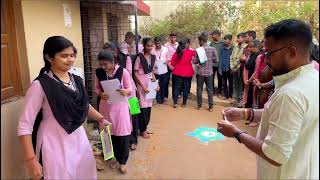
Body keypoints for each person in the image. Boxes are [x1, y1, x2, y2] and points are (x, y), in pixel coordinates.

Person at [217, 19, 319, 179]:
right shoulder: (313, 78)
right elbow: (282, 115)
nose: (266, 59)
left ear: (291, 51)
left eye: (269, 53)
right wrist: (246, 113)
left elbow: (275, 155)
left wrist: (237, 133)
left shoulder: (290, 93)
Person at [17, 36, 111, 179]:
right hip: (53, 143)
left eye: (72, 55)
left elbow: (84, 105)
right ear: (49, 57)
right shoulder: (40, 85)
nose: (70, 59)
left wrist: (101, 118)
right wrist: (31, 160)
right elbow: (25, 125)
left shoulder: (77, 80)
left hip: (79, 139)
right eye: (64, 56)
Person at [94, 50, 132, 174]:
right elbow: (97, 88)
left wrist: (126, 91)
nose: (103, 67)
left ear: (113, 62)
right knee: (107, 133)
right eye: (101, 64)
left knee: (122, 134)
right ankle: (111, 157)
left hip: (120, 108)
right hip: (105, 107)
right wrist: (101, 94)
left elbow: (129, 88)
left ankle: (123, 162)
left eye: (105, 64)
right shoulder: (98, 73)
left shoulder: (123, 72)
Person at [102, 42, 139, 151]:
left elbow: (128, 73)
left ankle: (133, 140)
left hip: (130, 92)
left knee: (134, 115)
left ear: (115, 51)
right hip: (113, 94)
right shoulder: (104, 64)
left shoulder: (126, 58)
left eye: (109, 52)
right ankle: (113, 146)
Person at [134, 37, 159, 139]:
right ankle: (143, 130)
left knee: (149, 107)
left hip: (150, 84)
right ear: (144, 46)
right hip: (142, 84)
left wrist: (156, 84)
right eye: (148, 45)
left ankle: (145, 128)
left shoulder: (153, 57)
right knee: (143, 108)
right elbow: (135, 73)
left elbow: (151, 72)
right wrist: (142, 86)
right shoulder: (139, 57)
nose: (149, 47)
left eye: (151, 46)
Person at [193, 32, 217, 112]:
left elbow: (194, 61)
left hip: (201, 73)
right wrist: (210, 61)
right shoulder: (212, 49)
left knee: (199, 89)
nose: (199, 42)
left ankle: (199, 106)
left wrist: (198, 59)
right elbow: (216, 60)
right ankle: (210, 107)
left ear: (201, 41)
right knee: (210, 90)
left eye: (199, 41)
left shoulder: (198, 50)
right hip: (209, 72)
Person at [170, 38, 195, 108]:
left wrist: (177, 66)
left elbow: (172, 63)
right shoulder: (191, 52)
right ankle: (184, 104)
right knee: (186, 88)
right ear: (186, 44)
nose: (189, 45)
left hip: (177, 72)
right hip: (188, 73)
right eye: (189, 43)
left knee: (176, 88)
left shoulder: (177, 52)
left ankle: (175, 103)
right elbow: (195, 59)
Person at [242, 40, 262, 109]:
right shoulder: (250, 55)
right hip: (247, 80)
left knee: (252, 96)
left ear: (257, 47)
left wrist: (249, 80)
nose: (249, 49)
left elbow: (256, 71)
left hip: (253, 81)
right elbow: (245, 67)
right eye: (249, 47)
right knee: (247, 97)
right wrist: (245, 79)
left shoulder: (259, 56)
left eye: (251, 47)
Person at [230, 32, 247, 107]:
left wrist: (236, 67)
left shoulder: (246, 47)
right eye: (237, 38)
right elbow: (232, 56)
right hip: (233, 67)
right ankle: (235, 98)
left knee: (240, 84)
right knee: (235, 83)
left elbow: (242, 59)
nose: (238, 39)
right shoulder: (235, 46)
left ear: (243, 38)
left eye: (239, 38)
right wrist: (231, 66)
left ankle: (240, 99)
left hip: (239, 68)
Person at [152, 36, 169, 104]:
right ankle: (158, 99)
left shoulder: (165, 49)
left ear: (161, 43)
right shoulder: (152, 50)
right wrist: (154, 66)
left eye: (159, 43)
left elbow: (168, 57)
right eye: (156, 43)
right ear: (154, 43)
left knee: (163, 84)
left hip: (164, 69)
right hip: (156, 70)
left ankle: (162, 99)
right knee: (157, 84)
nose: (157, 45)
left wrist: (167, 62)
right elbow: (151, 60)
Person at [164, 33, 179, 101]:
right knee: (166, 80)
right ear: (169, 38)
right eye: (171, 37)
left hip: (176, 66)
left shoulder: (178, 45)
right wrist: (169, 65)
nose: (173, 39)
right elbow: (165, 56)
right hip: (168, 65)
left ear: (176, 38)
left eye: (174, 37)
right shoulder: (166, 45)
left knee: (176, 81)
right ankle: (165, 96)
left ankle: (175, 96)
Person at [219, 34, 234, 100]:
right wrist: (220, 68)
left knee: (231, 83)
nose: (225, 40)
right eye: (224, 39)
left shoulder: (233, 49)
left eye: (226, 39)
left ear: (230, 40)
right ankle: (226, 95)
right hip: (223, 68)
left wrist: (232, 68)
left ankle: (230, 96)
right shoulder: (222, 49)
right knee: (224, 83)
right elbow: (220, 58)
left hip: (230, 69)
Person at [209, 29, 223, 96]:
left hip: (220, 64)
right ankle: (212, 91)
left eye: (213, 35)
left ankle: (220, 92)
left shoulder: (223, 43)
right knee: (211, 78)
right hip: (212, 64)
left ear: (217, 35)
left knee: (220, 78)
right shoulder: (211, 43)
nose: (212, 36)